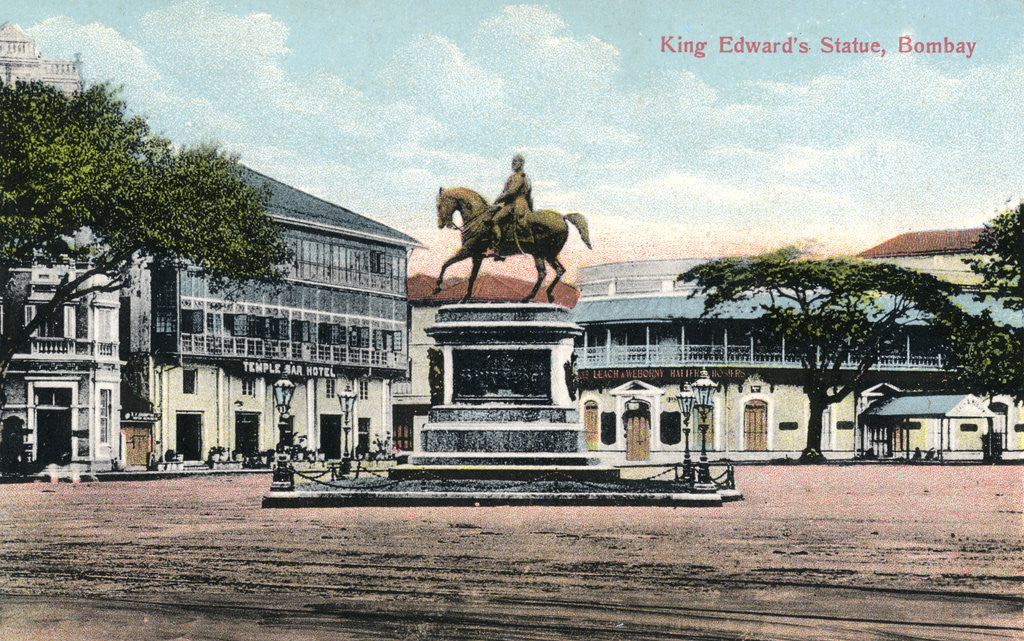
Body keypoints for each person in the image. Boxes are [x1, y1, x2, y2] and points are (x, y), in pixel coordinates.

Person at [490, 153, 533, 257]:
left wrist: (498, 199)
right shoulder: (519, 176)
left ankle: (496, 248)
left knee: (494, 220)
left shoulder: (519, 176)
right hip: (515, 204)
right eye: (512, 162)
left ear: (521, 164)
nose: (513, 164)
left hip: (516, 205)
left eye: (516, 162)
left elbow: (511, 192)